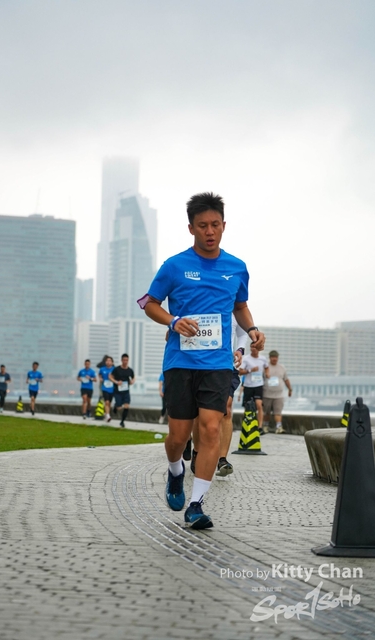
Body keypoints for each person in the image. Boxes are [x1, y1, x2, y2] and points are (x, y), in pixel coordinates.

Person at [138, 192, 265, 530]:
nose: (210, 231)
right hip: (180, 362)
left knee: (211, 429)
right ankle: (175, 470)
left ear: (224, 226)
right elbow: (149, 303)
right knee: (178, 437)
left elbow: (240, 306)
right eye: (203, 225)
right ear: (191, 228)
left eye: (215, 225)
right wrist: (173, 321)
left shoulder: (236, 267)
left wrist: (252, 329)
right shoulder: (174, 265)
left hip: (218, 364)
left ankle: (196, 504)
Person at [191, 319, 248, 477]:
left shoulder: (235, 310)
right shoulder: (204, 306)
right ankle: (197, 451)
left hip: (227, 365)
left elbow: (242, 332)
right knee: (199, 412)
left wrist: (240, 349)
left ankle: (222, 459)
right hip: (201, 363)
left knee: (226, 408)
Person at [238, 345, 269, 434]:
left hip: (259, 385)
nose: (253, 349)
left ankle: (260, 427)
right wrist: (250, 370)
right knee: (247, 406)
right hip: (248, 385)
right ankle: (247, 426)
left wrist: (267, 374)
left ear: (258, 349)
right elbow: (240, 372)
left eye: (255, 347)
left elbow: (267, 367)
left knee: (259, 405)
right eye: (252, 347)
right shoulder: (246, 359)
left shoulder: (263, 359)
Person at [263, 350, 293, 434]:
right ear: (270, 358)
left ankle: (279, 427)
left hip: (279, 395)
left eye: (276, 357)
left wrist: (290, 389)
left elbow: (286, 379)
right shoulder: (265, 367)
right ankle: (265, 426)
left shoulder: (282, 367)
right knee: (266, 412)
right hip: (266, 394)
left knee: (278, 412)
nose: (274, 359)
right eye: (273, 357)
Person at [109, 354, 135, 428]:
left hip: (126, 391)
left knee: (127, 406)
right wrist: (116, 382)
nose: (125, 362)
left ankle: (122, 422)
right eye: (124, 360)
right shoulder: (117, 369)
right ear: (121, 360)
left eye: (126, 360)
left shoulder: (130, 370)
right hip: (118, 391)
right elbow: (110, 376)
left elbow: (133, 377)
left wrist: (132, 381)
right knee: (119, 407)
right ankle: (116, 406)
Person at [99, 356, 115, 422]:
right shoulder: (102, 369)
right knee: (107, 401)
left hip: (112, 388)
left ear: (112, 362)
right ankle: (108, 415)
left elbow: (117, 377)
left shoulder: (114, 369)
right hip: (104, 388)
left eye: (110, 361)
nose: (108, 362)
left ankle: (106, 413)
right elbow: (100, 375)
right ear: (105, 362)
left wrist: (112, 377)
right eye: (107, 361)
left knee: (109, 403)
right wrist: (101, 379)